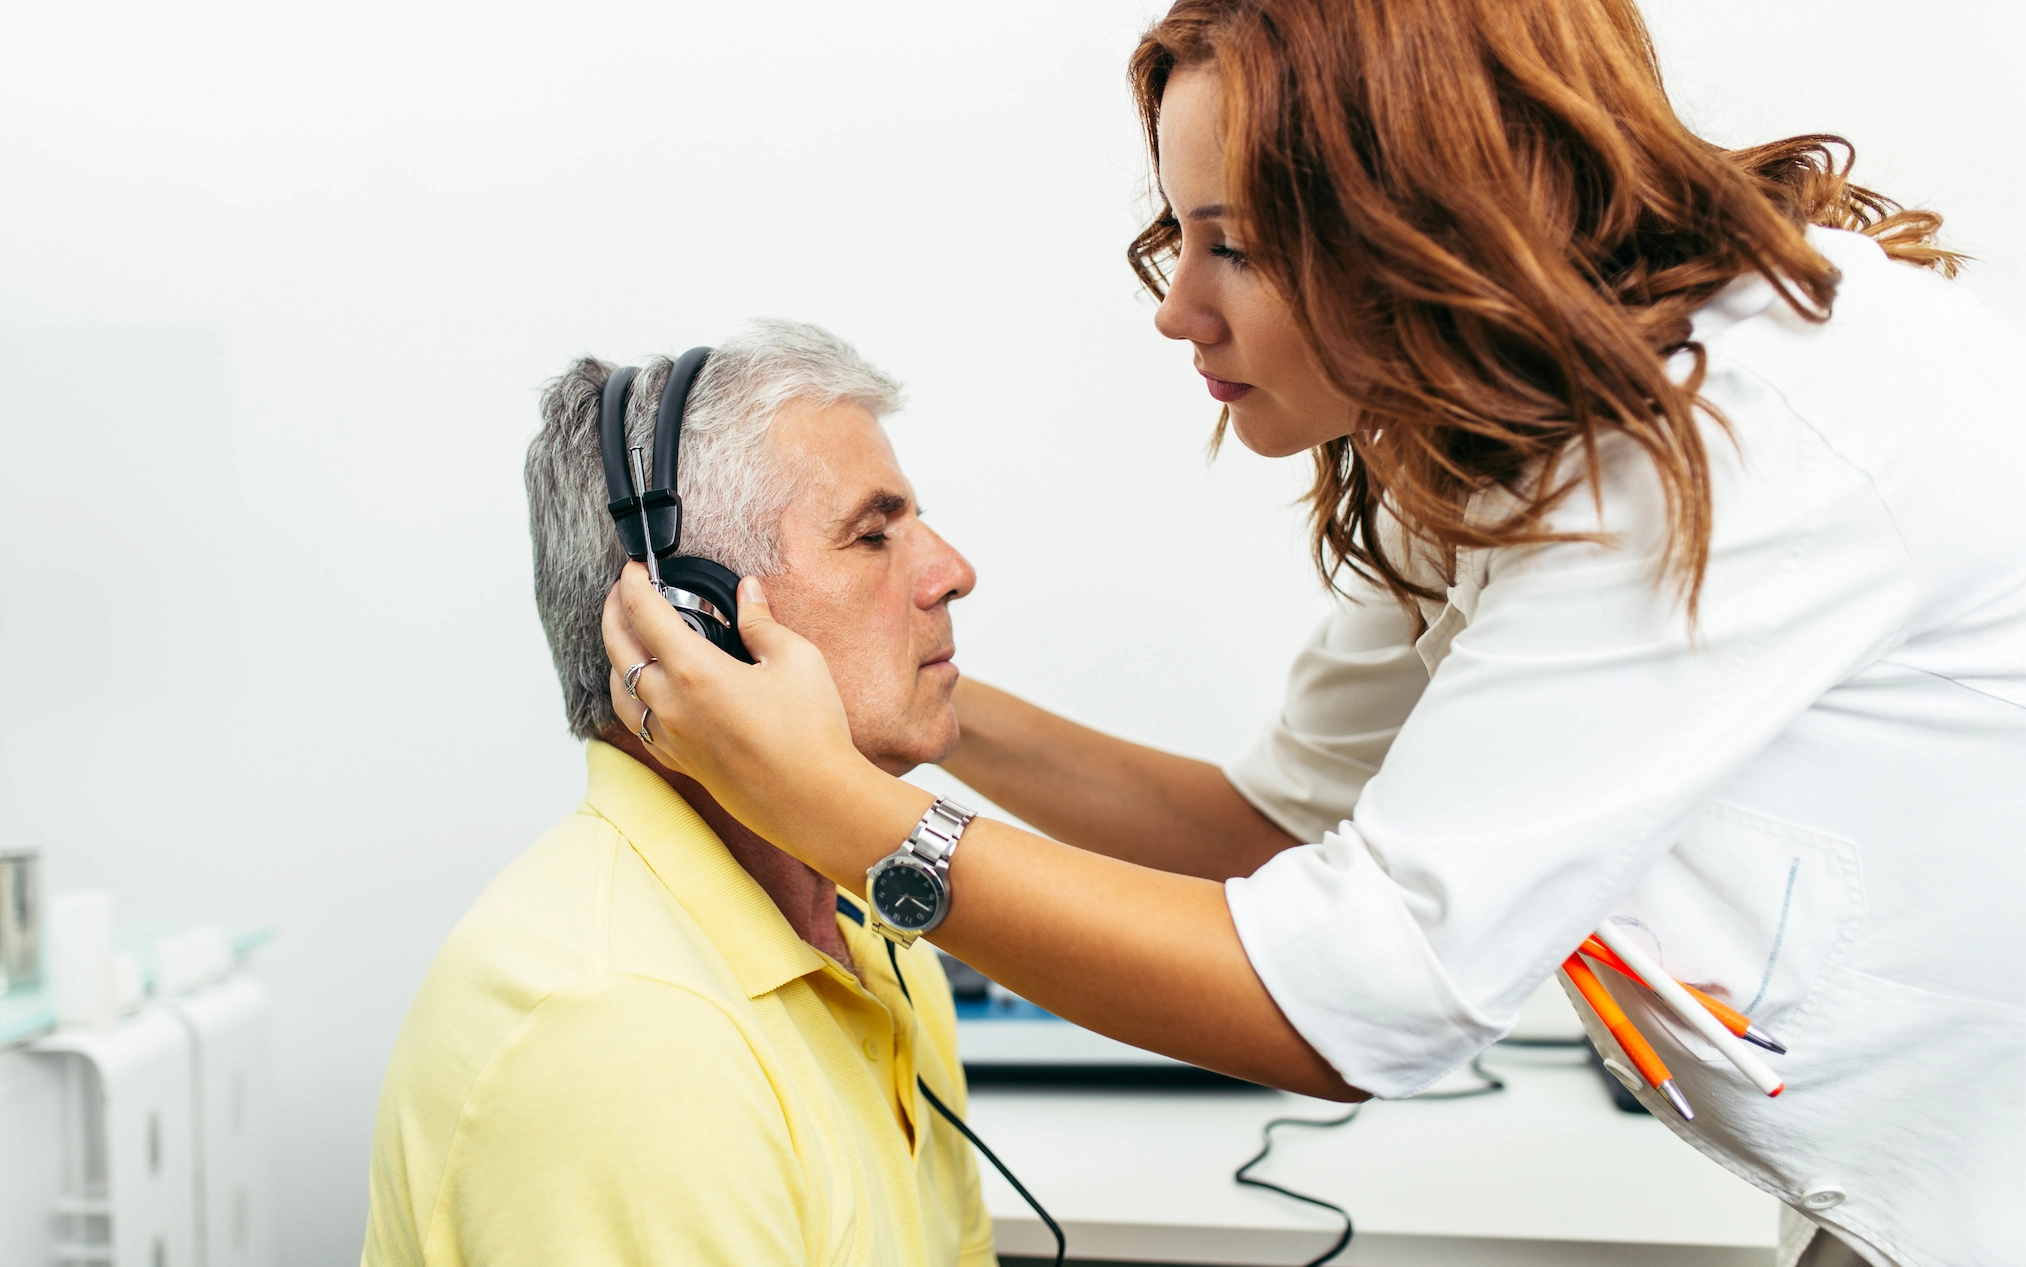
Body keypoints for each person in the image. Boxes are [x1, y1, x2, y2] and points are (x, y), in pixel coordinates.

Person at [603, 4, 2026, 1266]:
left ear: (1433, 220)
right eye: (1178, 236)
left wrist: (840, 810)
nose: (1176, 309)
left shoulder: (1730, 427)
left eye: (1233, 244)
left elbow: (1358, 1003)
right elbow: (1268, 828)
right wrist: (903, 704)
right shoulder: (1492, 418)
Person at [363, 320, 992, 1267]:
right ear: (693, 622)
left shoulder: (876, 936)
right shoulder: (623, 1029)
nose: (953, 572)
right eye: (874, 534)